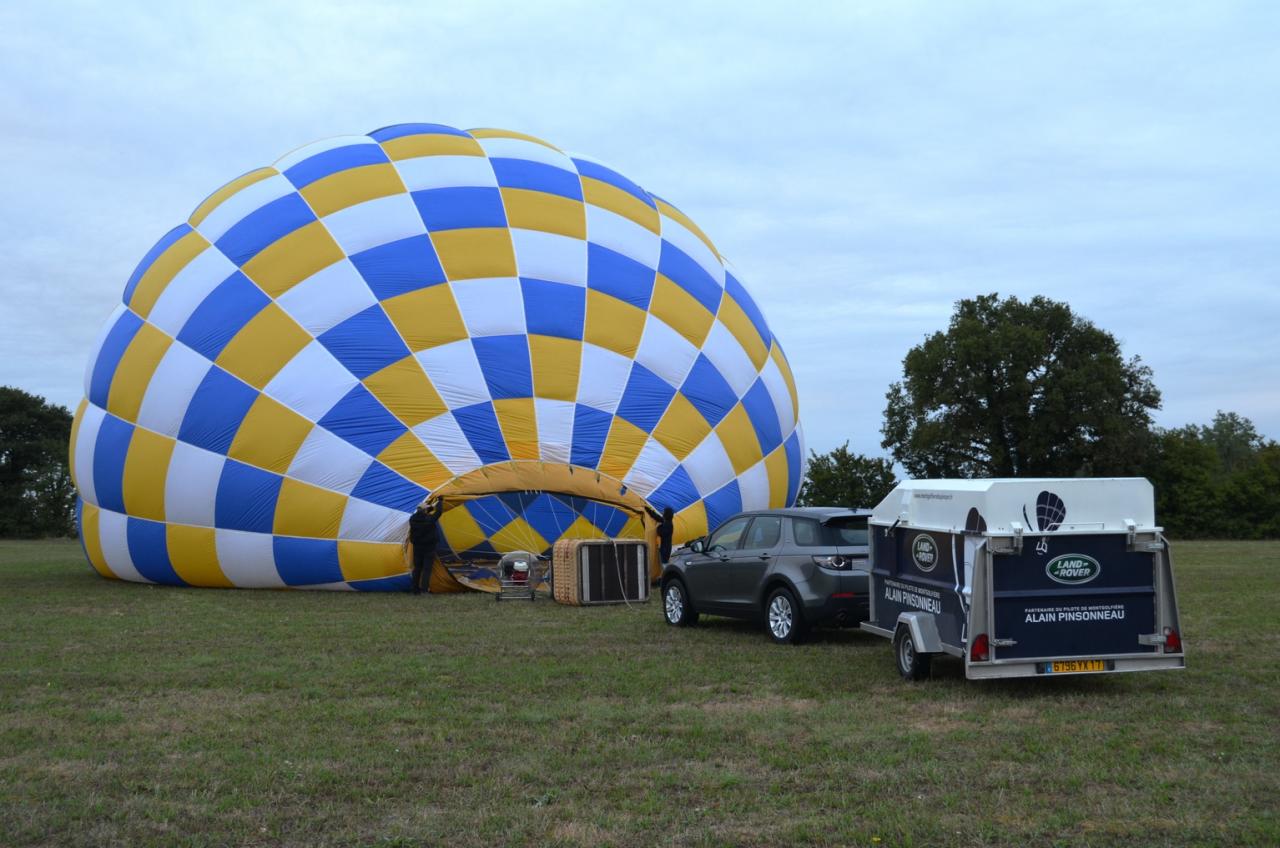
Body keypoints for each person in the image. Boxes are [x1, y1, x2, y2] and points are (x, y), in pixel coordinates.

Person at [408, 500, 443, 595]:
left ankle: (415, 590)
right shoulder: (429, 519)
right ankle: (424, 590)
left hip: (417, 547)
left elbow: (425, 512)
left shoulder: (412, 519)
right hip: (429, 548)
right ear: (425, 511)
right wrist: (441, 501)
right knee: (427, 569)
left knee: (417, 569)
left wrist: (430, 507)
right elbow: (439, 512)